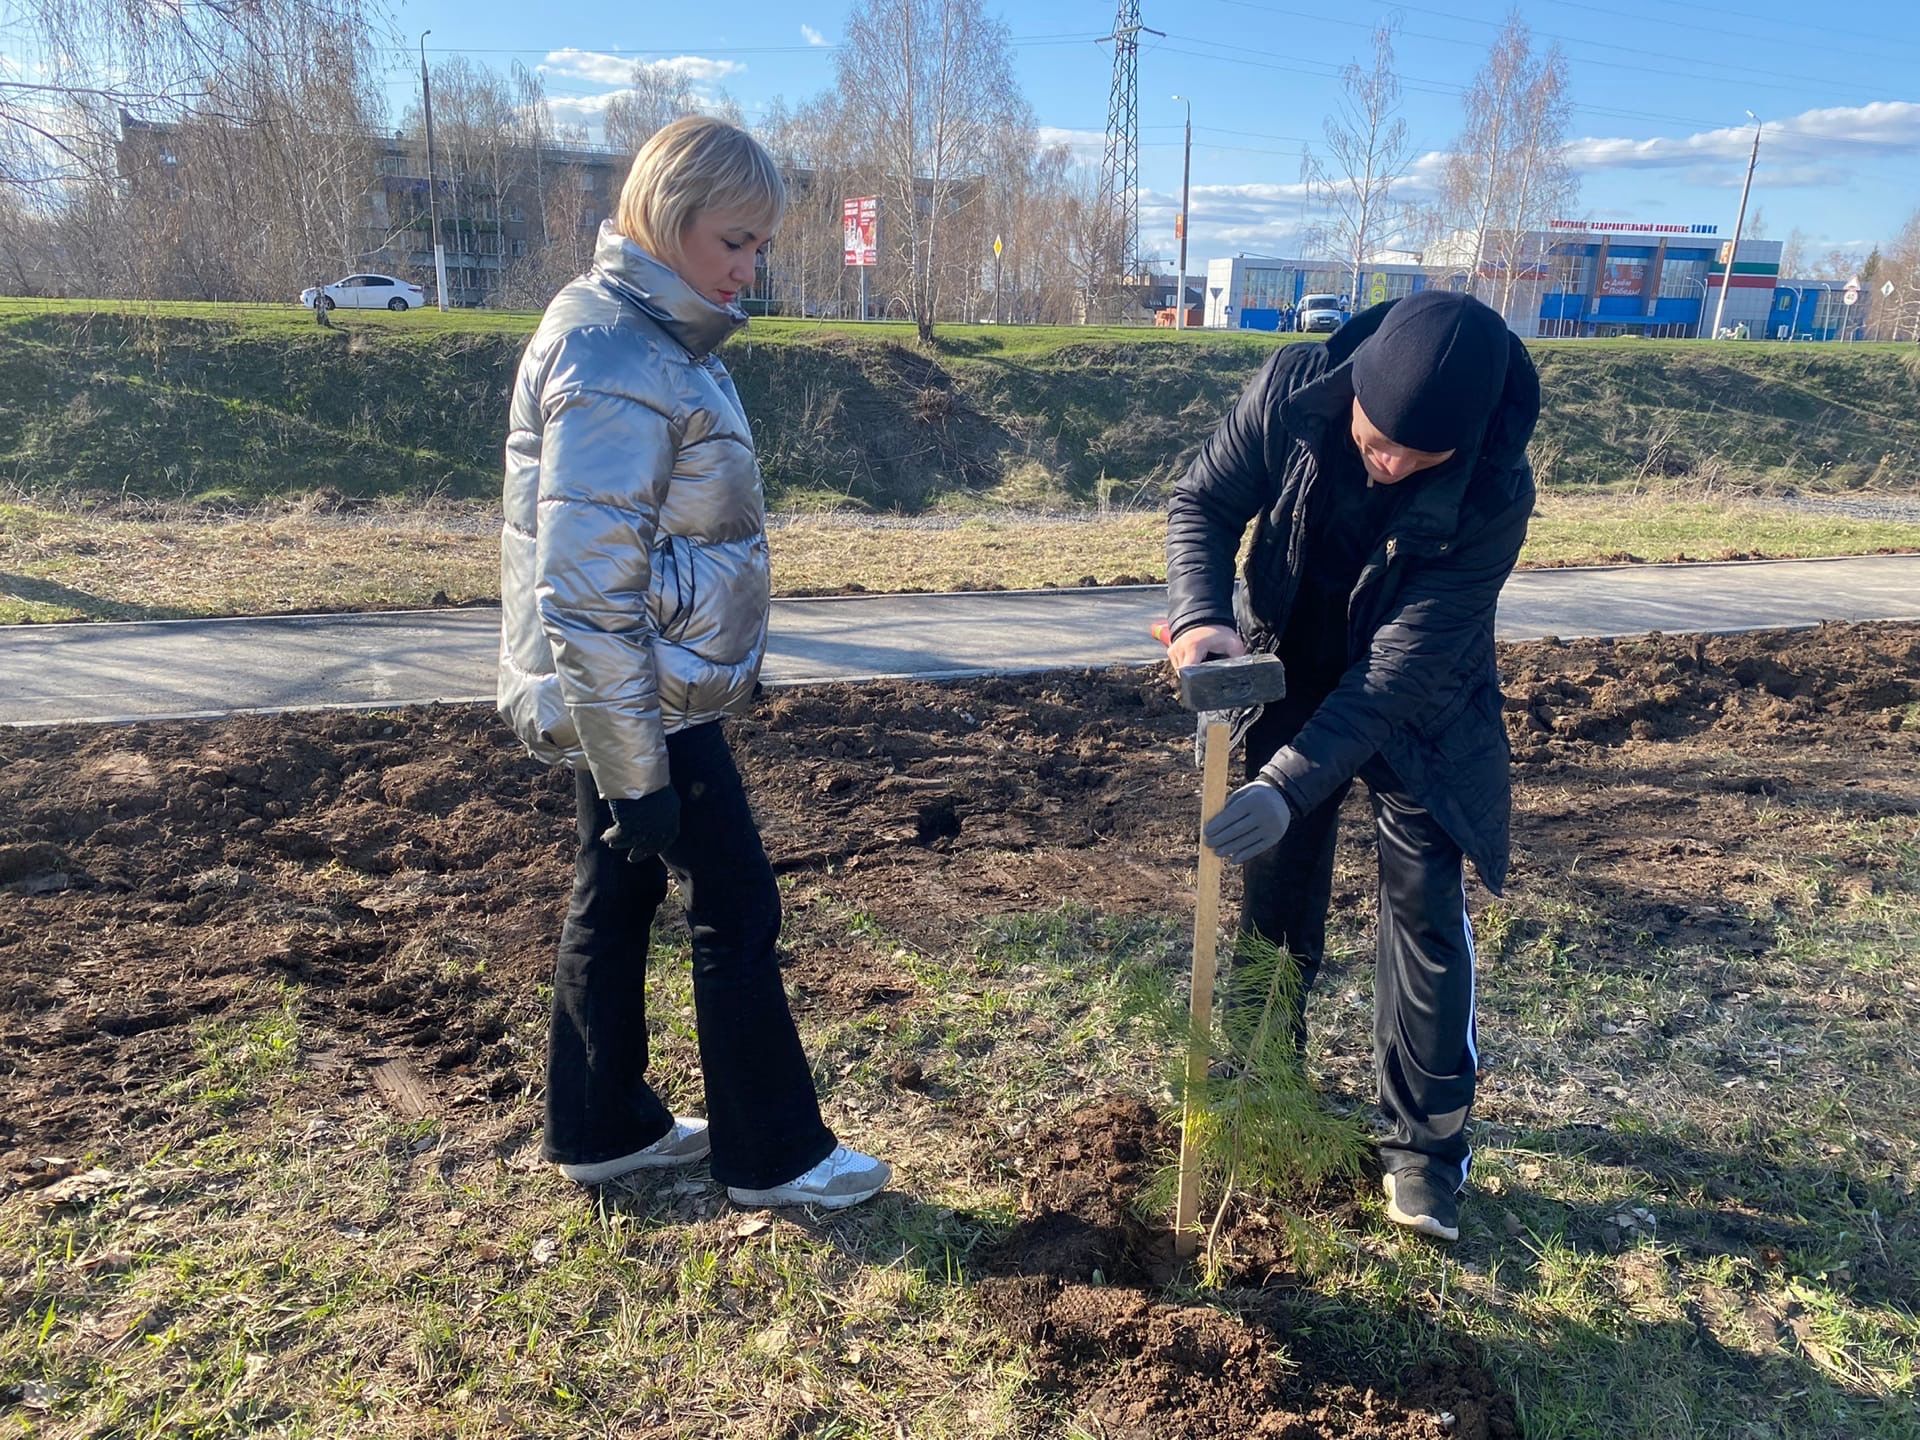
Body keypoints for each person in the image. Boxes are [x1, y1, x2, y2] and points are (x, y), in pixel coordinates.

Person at [498, 117, 890, 1210]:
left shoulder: (641, 336)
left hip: (634, 692)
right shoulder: (614, 353)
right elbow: (585, 591)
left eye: (760, 245)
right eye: (736, 240)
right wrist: (638, 774)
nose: (751, 266)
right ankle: (772, 1153)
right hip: (642, 699)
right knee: (734, 901)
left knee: (614, 893)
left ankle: (603, 1123)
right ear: (668, 223)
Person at [1163, 291, 1539, 1243]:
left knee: (1422, 910)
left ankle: (1423, 1152)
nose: (1393, 465)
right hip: (1294, 662)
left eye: (1421, 457)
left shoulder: (1495, 488)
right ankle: (1263, 1085)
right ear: (1351, 391)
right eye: (1379, 441)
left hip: (1421, 707)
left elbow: (1395, 674)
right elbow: (1202, 500)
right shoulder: (1293, 389)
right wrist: (1205, 613)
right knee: (1276, 896)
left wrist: (1291, 783)